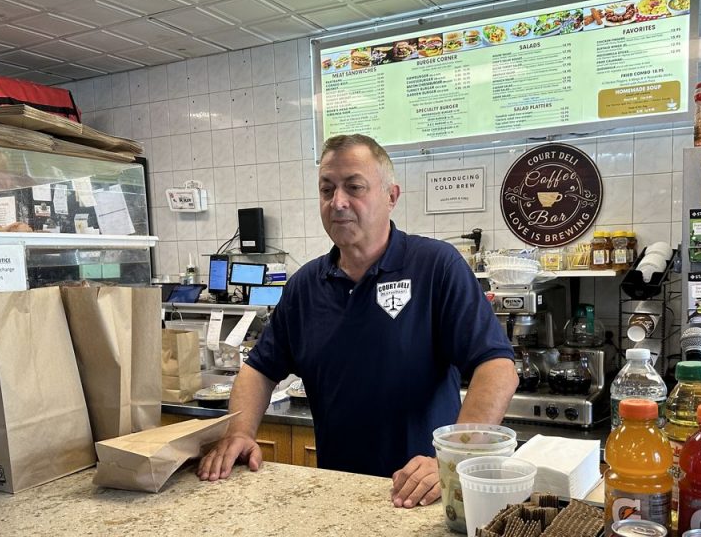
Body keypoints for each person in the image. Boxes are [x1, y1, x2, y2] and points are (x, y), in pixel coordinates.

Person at [197, 134, 517, 508]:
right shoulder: (304, 286)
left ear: (391, 196)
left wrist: (450, 460)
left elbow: (497, 367)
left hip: (424, 495)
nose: (339, 202)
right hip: (340, 495)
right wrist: (239, 432)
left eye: (354, 187)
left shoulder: (435, 266)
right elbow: (259, 369)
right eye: (327, 189)